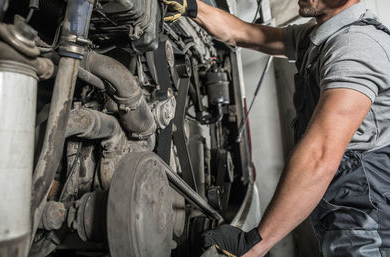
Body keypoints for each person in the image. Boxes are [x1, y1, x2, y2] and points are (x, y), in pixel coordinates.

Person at [162, 0, 390, 256]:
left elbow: (320, 155)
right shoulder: (319, 34)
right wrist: (192, 7)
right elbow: (248, 34)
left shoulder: (355, 45)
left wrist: (257, 243)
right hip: (345, 209)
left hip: (368, 218)